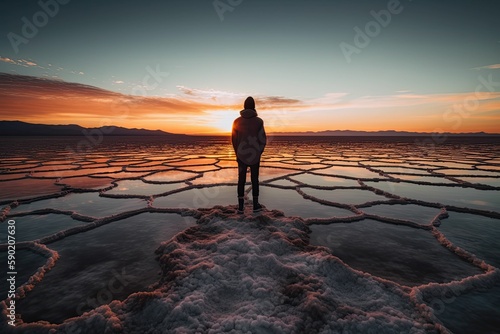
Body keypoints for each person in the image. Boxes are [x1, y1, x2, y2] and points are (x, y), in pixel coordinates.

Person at [232, 96, 267, 213]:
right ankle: (255, 205)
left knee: (241, 180)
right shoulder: (259, 121)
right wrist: (258, 152)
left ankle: (241, 207)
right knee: (254, 179)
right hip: (255, 155)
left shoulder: (237, 121)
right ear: (254, 106)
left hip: (241, 155)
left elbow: (234, 140)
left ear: (244, 106)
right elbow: (263, 139)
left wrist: (237, 153)